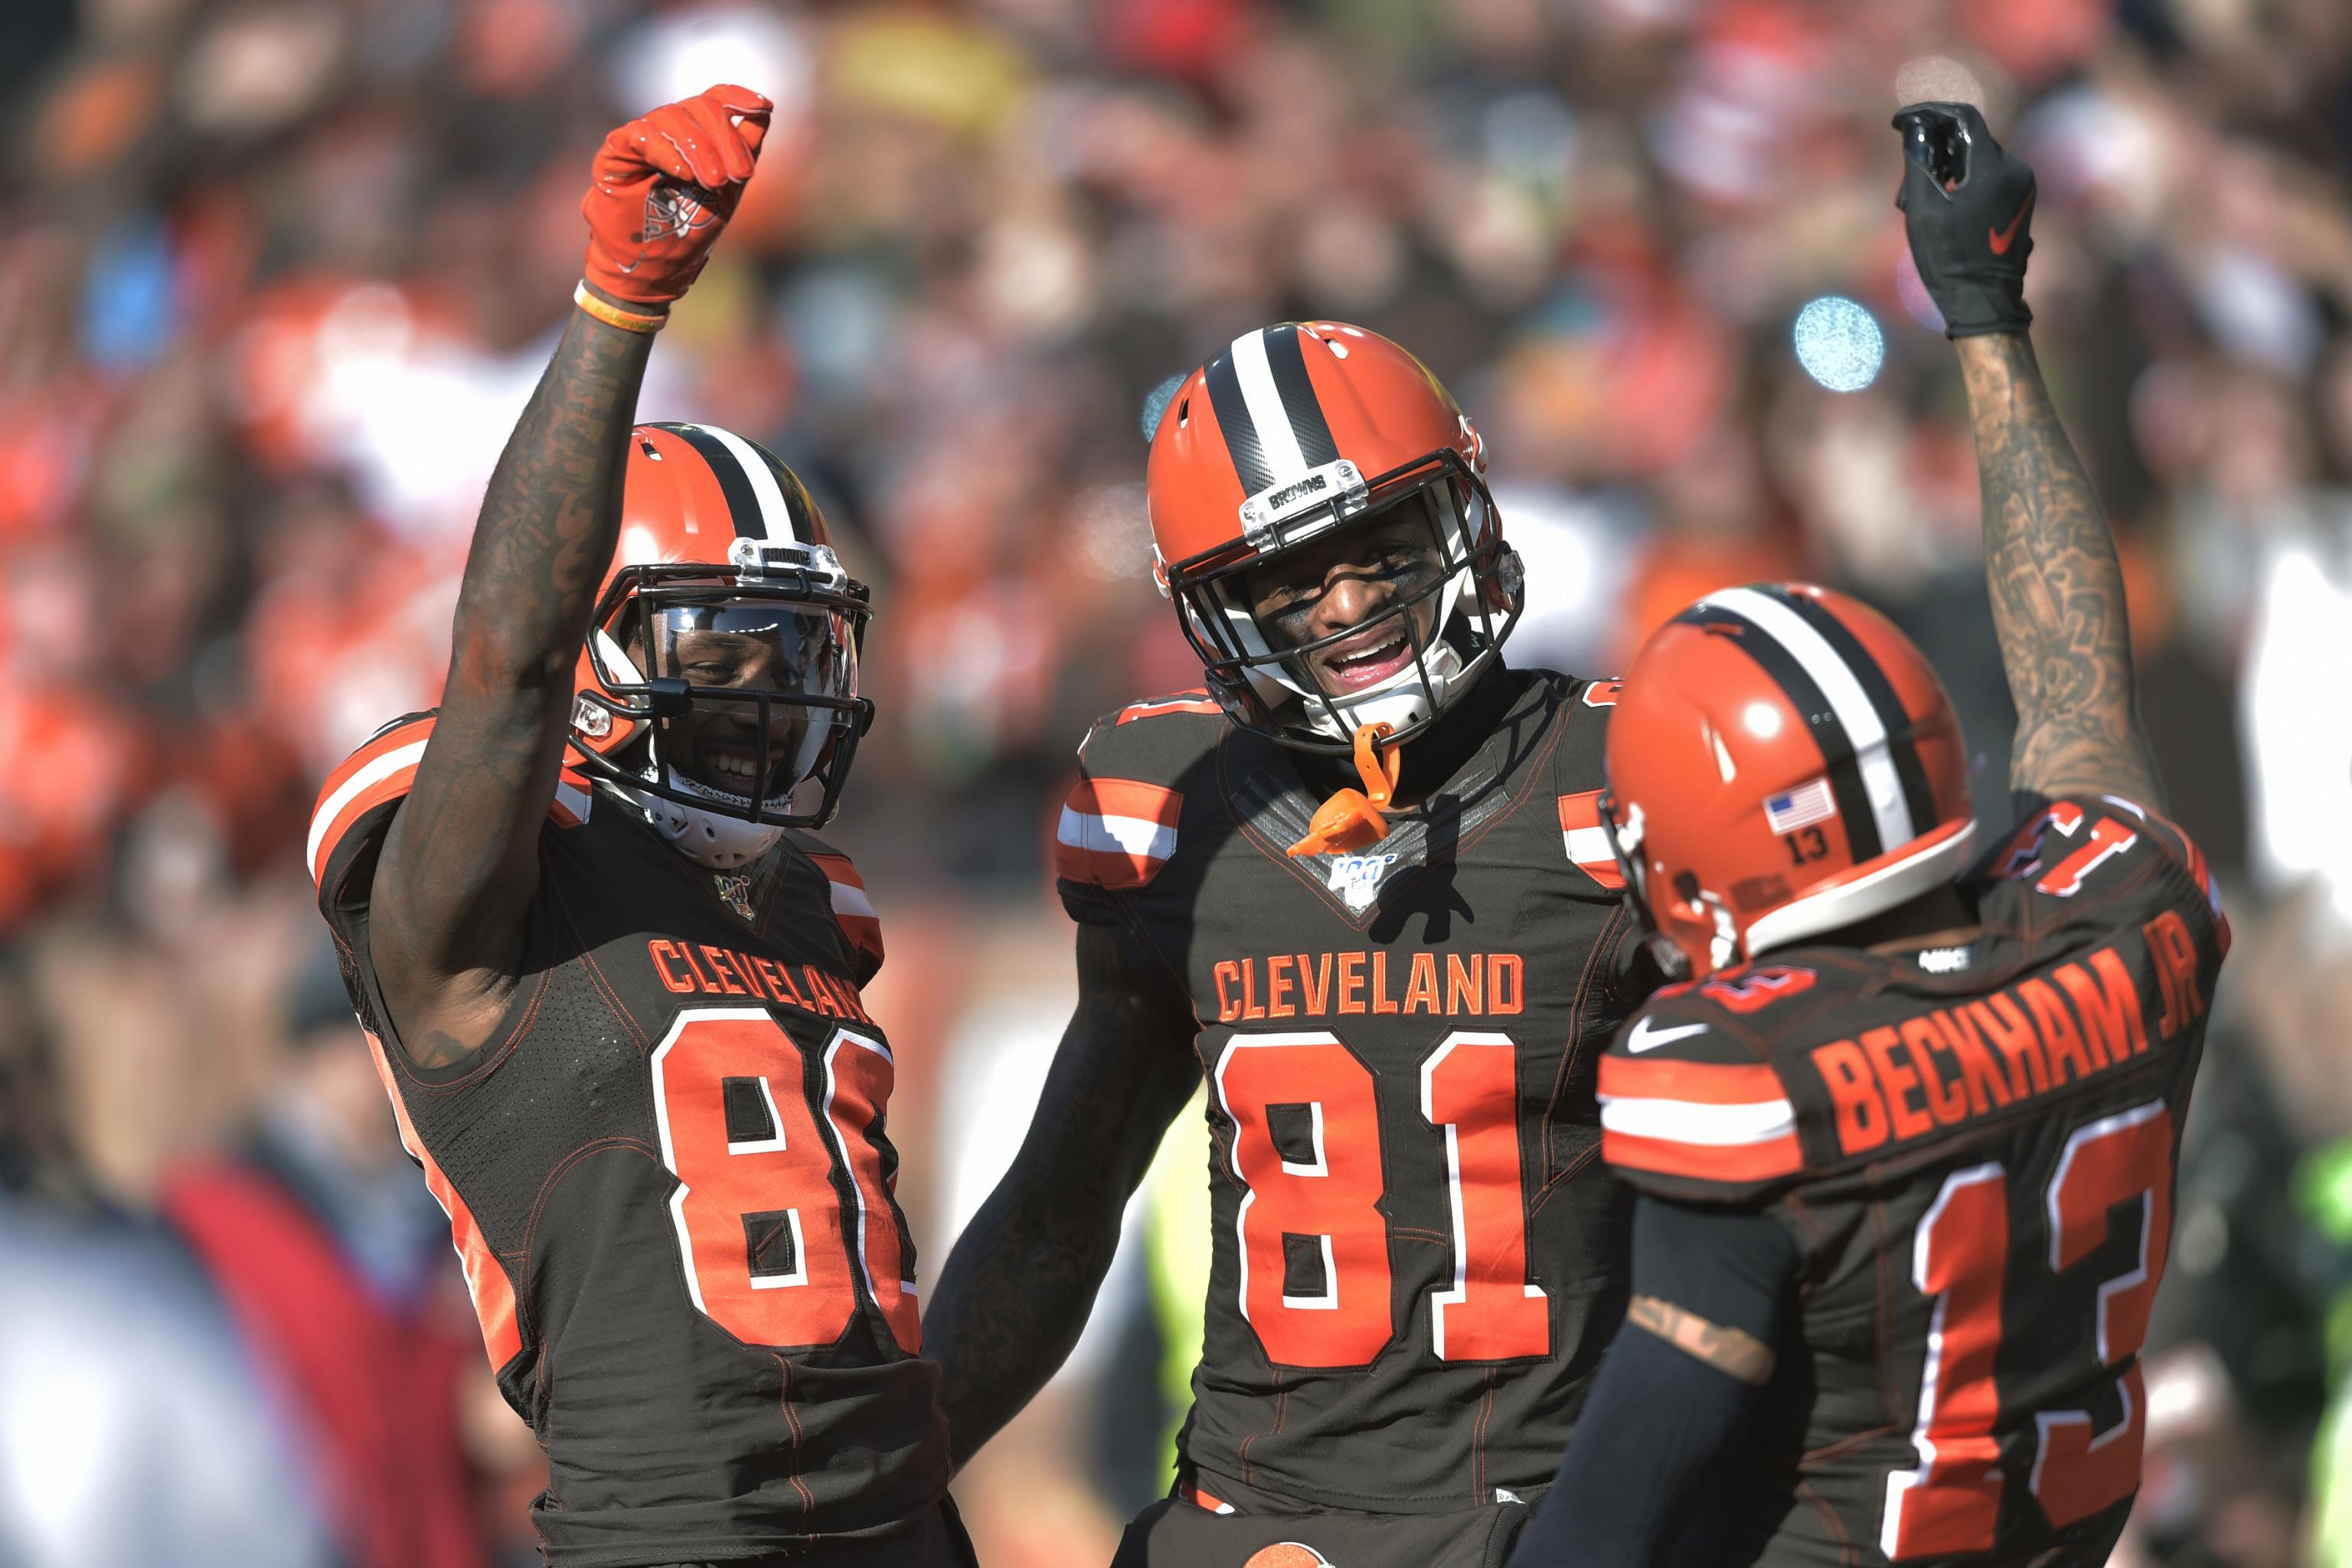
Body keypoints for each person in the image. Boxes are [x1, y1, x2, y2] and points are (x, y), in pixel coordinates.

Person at [1505, 103, 2229, 1567]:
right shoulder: (2125, 908)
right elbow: (2078, 685)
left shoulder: (1744, 1078)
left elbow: (1621, 1505)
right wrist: (1988, 315)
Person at [305, 87, 967, 1566]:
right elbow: (513, 660)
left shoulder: (813, 907)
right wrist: (620, 305)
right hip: (672, 1533)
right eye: (718, 661)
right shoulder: (490, 895)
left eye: (793, 667)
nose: (767, 708)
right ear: (603, 667)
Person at [925, 322, 1651, 1566]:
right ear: (1213, 609)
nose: (1351, 603)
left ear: (1462, 512)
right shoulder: (1166, 813)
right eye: (1292, 579)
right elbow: (1058, 1213)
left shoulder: (1623, 779)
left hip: (1552, 1519)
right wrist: (881, 1486)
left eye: (1380, 548)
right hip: (1252, 1528)